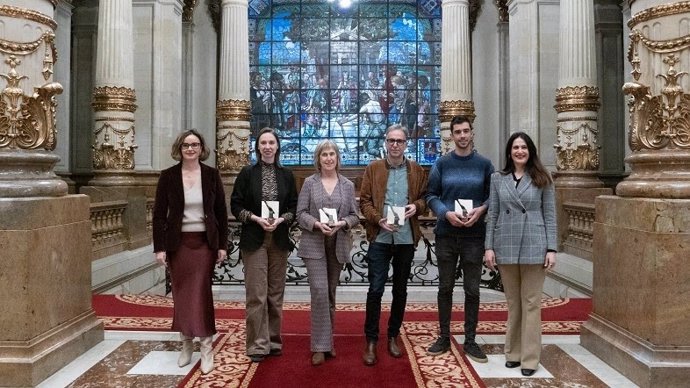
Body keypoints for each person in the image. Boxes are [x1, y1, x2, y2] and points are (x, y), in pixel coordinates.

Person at [152, 129, 228, 374]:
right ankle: (186, 344)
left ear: (201, 148)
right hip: (178, 244)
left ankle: (206, 346)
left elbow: (220, 214)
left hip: (204, 244)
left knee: (201, 292)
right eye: (186, 145)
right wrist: (160, 247)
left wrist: (222, 245)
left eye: (195, 145)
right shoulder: (168, 176)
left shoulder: (212, 175)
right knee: (182, 294)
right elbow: (158, 215)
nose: (191, 149)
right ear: (179, 149)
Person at [484, 132, 557, 377]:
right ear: (509, 152)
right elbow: (492, 214)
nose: (519, 151)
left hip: (535, 244)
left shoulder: (542, 177)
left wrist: (552, 248)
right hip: (506, 243)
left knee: (532, 304)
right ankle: (512, 353)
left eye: (523, 147)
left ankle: (530, 358)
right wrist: (489, 247)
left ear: (530, 151)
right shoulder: (498, 178)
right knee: (513, 303)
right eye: (515, 147)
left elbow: (550, 215)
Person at [425, 115, 494, 363]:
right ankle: (444, 336)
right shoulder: (441, 164)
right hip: (446, 234)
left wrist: (480, 210)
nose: (462, 136)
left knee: (472, 290)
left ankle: (471, 340)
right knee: (445, 288)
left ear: (472, 133)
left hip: (474, 236)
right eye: (458, 132)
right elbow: (431, 195)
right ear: (451, 135)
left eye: (466, 131)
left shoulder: (484, 165)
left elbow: (492, 197)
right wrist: (446, 213)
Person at [359, 124, 428, 366]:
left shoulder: (417, 170)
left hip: (405, 239)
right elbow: (364, 201)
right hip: (380, 237)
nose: (395, 145)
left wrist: (416, 207)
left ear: (406, 144)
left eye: (399, 141)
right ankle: (371, 340)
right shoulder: (373, 168)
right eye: (391, 141)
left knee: (400, 290)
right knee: (375, 290)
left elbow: (424, 199)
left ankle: (392, 336)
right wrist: (378, 219)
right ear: (385, 143)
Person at [230, 127, 298, 363]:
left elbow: (293, 207)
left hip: (278, 239)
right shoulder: (247, 173)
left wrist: (281, 219)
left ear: (277, 146)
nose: (267, 146)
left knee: (275, 294)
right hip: (254, 239)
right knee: (257, 294)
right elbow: (235, 206)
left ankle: (273, 340)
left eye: (271, 142)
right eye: (263, 143)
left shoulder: (287, 175)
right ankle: (258, 344)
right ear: (257, 147)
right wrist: (255, 218)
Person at [296, 140, 360, 366]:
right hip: (314, 243)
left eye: (332, 154)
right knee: (320, 292)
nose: (329, 158)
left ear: (338, 158)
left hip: (338, 244)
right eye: (324, 154)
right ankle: (319, 347)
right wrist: (315, 224)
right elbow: (300, 213)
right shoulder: (309, 183)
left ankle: (328, 342)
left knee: (330, 294)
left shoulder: (347, 185)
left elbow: (354, 215)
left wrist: (342, 222)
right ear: (318, 158)